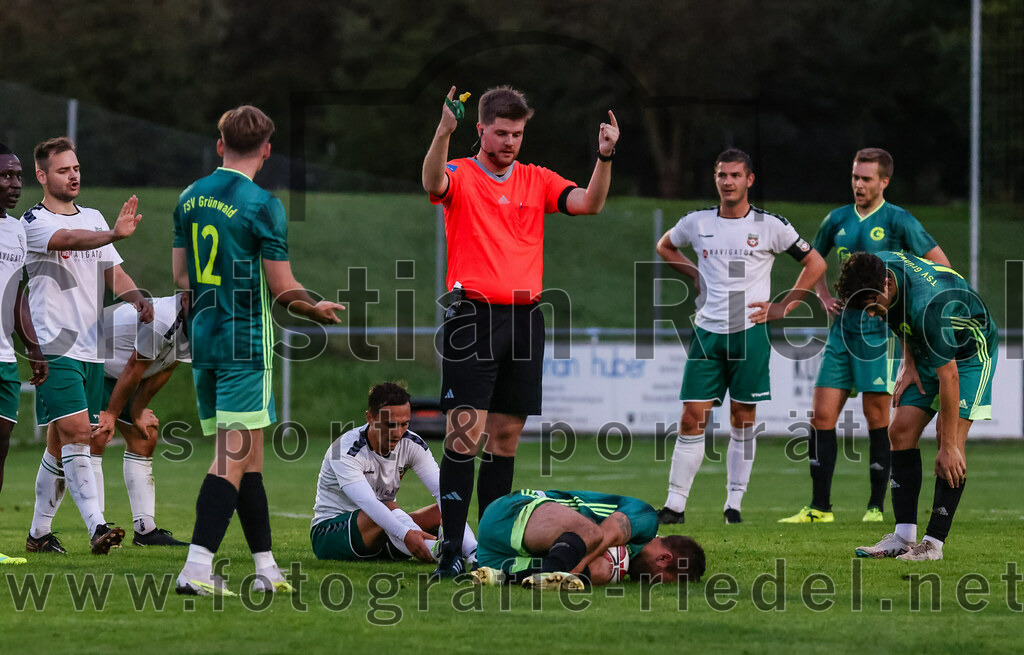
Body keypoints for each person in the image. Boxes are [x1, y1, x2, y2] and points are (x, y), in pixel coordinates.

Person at [422, 85, 620, 578]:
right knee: (464, 435)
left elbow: (590, 204)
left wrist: (605, 156)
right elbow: (431, 181)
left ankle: (491, 547)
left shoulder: (536, 179)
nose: (510, 142)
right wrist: (442, 132)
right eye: (502, 132)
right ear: (481, 129)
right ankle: (450, 549)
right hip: (474, 317)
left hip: (527, 318)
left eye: (518, 134)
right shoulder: (460, 173)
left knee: (506, 437)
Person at [171, 105, 344, 596]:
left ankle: (266, 568)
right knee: (232, 456)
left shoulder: (188, 197)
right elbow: (283, 286)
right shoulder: (263, 205)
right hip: (245, 341)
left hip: (204, 338)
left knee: (250, 457)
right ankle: (196, 568)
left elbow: (182, 277)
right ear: (267, 150)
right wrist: (316, 308)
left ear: (220, 144)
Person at [656, 148, 826, 525]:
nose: (727, 181)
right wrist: (694, 274)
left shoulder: (771, 225)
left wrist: (785, 306)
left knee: (742, 418)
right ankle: (675, 505)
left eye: (735, 175)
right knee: (690, 418)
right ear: (715, 179)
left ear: (750, 180)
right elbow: (664, 246)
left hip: (750, 335)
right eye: (721, 175)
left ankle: (733, 504)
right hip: (707, 332)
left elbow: (815, 262)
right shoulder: (696, 222)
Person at [780, 148, 949, 525]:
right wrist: (822, 294)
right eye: (855, 177)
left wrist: (908, 302)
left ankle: (875, 507)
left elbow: (941, 262)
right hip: (841, 331)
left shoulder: (898, 220)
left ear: (884, 181)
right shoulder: (836, 219)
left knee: (877, 417)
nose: (858, 184)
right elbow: (815, 260)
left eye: (866, 178)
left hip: (879, 330)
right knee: (821, 415)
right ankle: (819, 508)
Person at [23, 137, 152, 556]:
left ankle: (39, 535)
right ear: (42, 176)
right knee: (81, 433)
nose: (73, 175)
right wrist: (112, 231)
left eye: (75, 168)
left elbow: (112, 271)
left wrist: (136, 298)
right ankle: (98, 526)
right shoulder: (34, 221)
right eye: (63, 170)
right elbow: (70, 240)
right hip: (53, 345)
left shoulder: (94, 216)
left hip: (90, 348)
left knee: (61, 444)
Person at [838, 252, 996, 561]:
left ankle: (933, 544)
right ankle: (903, 537)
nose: (871, 314)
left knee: (948, 442)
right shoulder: (877, 269)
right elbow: (900, 318)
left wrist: (948, 445)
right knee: (900, 430)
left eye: (873, 305)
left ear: (886, 284)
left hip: (968, 353)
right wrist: (908, 362)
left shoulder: (928, 307)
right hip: (928, 346)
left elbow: (949, 375)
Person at [310, 382, 478, 563]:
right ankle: (443, 554)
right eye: (390, 424)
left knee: (445, 508)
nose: (398, 433)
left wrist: (412, 529)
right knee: (387, 505)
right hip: (331, 535)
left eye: (404, 424)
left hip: (387, 529)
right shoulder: (342, 449)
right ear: (370, 418)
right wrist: (406, 534)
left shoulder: (413, 444)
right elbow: (368, 503)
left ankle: (474, 555)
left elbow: (441, 490)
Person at [90, 293, 191, 546]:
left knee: (145, 437)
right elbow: (135, 367)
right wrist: (111, 415)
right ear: (187, 299)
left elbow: (165, 368)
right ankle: (97, 529)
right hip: (92, 362)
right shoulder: (162, 319)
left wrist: (137, 411)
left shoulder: (199, 324)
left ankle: (146, 531)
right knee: (97, 435)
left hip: (121, 372)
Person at [471, 489, 705, 589]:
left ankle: (503, 578)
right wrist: (577, 568)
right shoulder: (646, 519)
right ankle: (551, 573)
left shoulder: (620, 565)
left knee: (603, 570)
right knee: (594, 534)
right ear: (664, 558)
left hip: (497, 557)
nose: (651, 584)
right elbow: (609, 533)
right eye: (661, 581)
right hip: (514, 512)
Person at [0, 144, 48, 566]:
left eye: (18, 176)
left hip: (3, 359)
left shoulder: (16, 230)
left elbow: (18, 297)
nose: (15, 184)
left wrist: (33, 348)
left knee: (0, 448)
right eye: (6, 176)